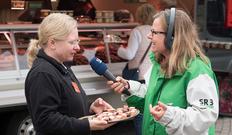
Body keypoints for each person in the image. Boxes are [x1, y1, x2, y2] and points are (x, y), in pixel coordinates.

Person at [107, 8, 219, 135]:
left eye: (154, 32)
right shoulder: (157, 64)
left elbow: (205, 116)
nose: (149, 36)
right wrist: (129, 87)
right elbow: (150, 98)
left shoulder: (197, 70)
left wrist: (169, 115)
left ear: (172, 36)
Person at [25, 13, 114, 135]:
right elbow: (45, 121)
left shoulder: (62, 66)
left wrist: (90, 108)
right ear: (52, 43)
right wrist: (87, 125)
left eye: (77, 41)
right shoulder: (42, 73)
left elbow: (66, 107)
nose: (78, 47)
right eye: (72, 42)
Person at [117, 4, 156, 135]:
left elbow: (129, 54)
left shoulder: (137, 31)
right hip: (152, 75)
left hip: (138, 77)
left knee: (139, 112)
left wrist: (118, 49)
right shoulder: (156, 30)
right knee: (151, 111)